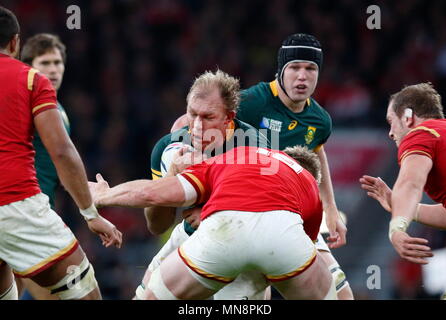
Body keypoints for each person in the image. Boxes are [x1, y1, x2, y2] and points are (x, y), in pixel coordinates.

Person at [171, 33, 352, 299]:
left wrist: (331, 208)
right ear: (281, 70)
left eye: (310, 68)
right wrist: (199, 200)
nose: (302, 76)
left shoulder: (320, 120)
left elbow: (317, 153)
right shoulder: (251, 102)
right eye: (295, 68)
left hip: (288, 217)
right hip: (237, 214)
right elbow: (184, 124)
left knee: (342, 294)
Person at [89, 145, 337, 300]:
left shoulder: (238, 155)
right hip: (282, 244)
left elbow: (153, 193)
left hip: (222, 235)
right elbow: (306, 242)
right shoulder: (309, 187)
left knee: (151, 295)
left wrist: (103, 195)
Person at [0, 6, 122, 300]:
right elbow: (62, 152)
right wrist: (90, 213)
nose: (52, 69)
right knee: (87, 295)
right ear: (16, 43)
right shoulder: (31, 81)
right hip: (17, 206)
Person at [146, 69, 272, 300]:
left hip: (240, 249)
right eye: (192, 114)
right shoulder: (168, 148)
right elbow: (156, 225)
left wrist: (210, 212)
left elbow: (265, 217)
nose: (196, 126)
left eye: (208, 117)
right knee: (146, 293)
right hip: (191, 236)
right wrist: (170, 179)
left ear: (229, 118)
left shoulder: (253, 150)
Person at [359, 82, 446, 300]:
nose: (390, 133)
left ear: (408, 117)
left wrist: (397, 228)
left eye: (391, 122)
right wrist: (406, 208)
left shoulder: (421, 134)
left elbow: (410, 183)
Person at [14, 33, 72, 300]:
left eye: (57, 62)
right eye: (45, 62)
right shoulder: (23, 104)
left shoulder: (57, 108)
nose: (53, 69)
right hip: (23, 213)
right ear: (29, 67)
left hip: (39, 209)